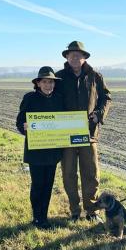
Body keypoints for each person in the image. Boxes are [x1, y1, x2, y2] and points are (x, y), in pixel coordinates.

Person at [55, 41, 111, 222]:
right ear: (66, 57)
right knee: (69, 173)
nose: (75, 57)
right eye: (71, 55)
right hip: (66, 133)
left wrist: (99, 114)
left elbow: (106, 97)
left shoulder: (95, 76)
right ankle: (74, 210)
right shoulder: (59, 77)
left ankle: (91, 210)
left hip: (89, 133)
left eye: (78, 55)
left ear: (84, 57)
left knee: (91, 172)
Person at [16, 66, 64, 229]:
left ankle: (44, 216)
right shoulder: (30, 98)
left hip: (52, 151)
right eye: (45, 82)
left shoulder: (58, 99)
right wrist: (25, 128)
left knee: (48, 185)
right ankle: (37, 217)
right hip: (36, 151)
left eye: (51, 82)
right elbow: (19, 121)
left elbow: (64, 122)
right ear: (38, 83)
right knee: (38, 185)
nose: (48, 85)